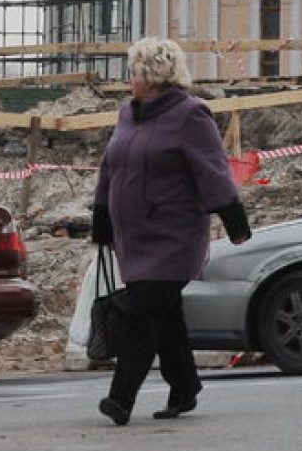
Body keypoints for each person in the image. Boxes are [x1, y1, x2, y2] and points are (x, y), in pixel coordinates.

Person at [92, 36, 251, 426]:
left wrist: (233, 218)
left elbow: (212, 169)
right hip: (134, 237)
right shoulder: (128, 113)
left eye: (134, 72)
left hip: (174, 238)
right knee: (164, 318)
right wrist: (101, 214)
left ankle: (120, 398)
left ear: (152, 75)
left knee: (139, 316)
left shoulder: (189, 114)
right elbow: (110, 166)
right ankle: (185, 387)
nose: (129, 79)